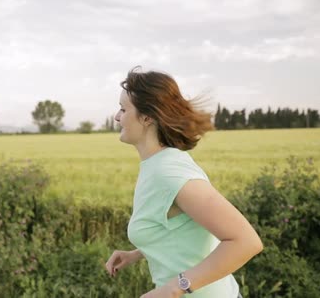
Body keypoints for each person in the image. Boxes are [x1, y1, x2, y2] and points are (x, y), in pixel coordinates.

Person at [105, 67, 263, 298]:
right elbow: (181, 228)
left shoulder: (169, 173)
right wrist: (139, 252)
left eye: (123, 109)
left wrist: (172, 289)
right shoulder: (158, 164)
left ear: (147, 117)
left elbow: (246, 241)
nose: (117, 117)